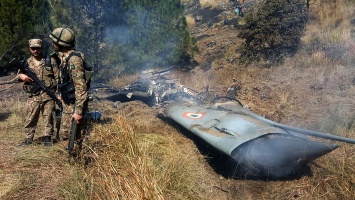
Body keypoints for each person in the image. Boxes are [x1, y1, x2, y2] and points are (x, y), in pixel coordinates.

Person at [48, 28, 88, 144]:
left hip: (74, 106)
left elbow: (81, 87)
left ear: (61, 44)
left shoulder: (73, 60)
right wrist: (60, 94)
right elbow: (64, 80)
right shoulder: (65, 57)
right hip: (68, 104)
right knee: (66, 135)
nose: (52, 44)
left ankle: (77, 160)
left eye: (54, 42)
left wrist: (78, 112)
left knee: (73, 137)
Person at [18, 39, 58, 146]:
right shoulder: (26, 63)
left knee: (48, 118)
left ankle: (47, 137)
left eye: (37, 48)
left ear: (41, 48)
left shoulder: (50, 61)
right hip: (33, 96)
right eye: (33, 48)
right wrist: (22, 76)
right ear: (30, 49)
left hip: (48, 95)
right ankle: (28, 139)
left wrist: (58, 93)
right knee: (30, 118)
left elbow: (58, 78)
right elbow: (18, 74)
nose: (35, 50)